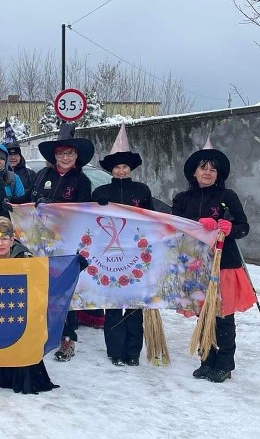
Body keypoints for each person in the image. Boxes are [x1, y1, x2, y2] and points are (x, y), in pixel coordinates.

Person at [172, 140, 255, 383]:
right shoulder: (182, 198)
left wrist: (229, 229)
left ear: (218, 174)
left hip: (224, 265)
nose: (207, 172)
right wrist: (199, 224)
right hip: (196, 265)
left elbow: (243, 226)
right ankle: (206, 359)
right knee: (204, 315)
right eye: (203, 167)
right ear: (194, 172)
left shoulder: (227, 196)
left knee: (223, 314)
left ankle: (225, 363)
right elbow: (175, 226)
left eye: (213, 169)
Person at [0, 216, 59, 394]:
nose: (0, 243)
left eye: (4, 238)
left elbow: (46, 280)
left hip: (21, 311)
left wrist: (75, 266)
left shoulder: (26, 259)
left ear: (12, 239)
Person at [92, 123, 153, 367]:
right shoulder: (100, 191)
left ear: (131, 168)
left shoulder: (142, 190)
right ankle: (115, 351)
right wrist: (98, 204)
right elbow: (89, 221)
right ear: (111, 169)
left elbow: (152, 219)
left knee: (135, 305)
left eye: (124, 166)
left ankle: (132, 352)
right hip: (111, 256)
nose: (120, 170)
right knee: (114, 304)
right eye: (117, 166)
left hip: (137, 254)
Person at [32, 122, 93, 362]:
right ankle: (43, 333)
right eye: (61, 153)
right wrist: (13, 202)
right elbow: (29, 199)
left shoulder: (81, 181)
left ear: (76, 156)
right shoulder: (43, 175)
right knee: (43, 291)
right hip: (41, 245)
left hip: (68, 247)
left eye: (69, 153)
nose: (65, 157)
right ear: (54, 156)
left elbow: (83, 214)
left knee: (65, 293)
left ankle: (68, 339)